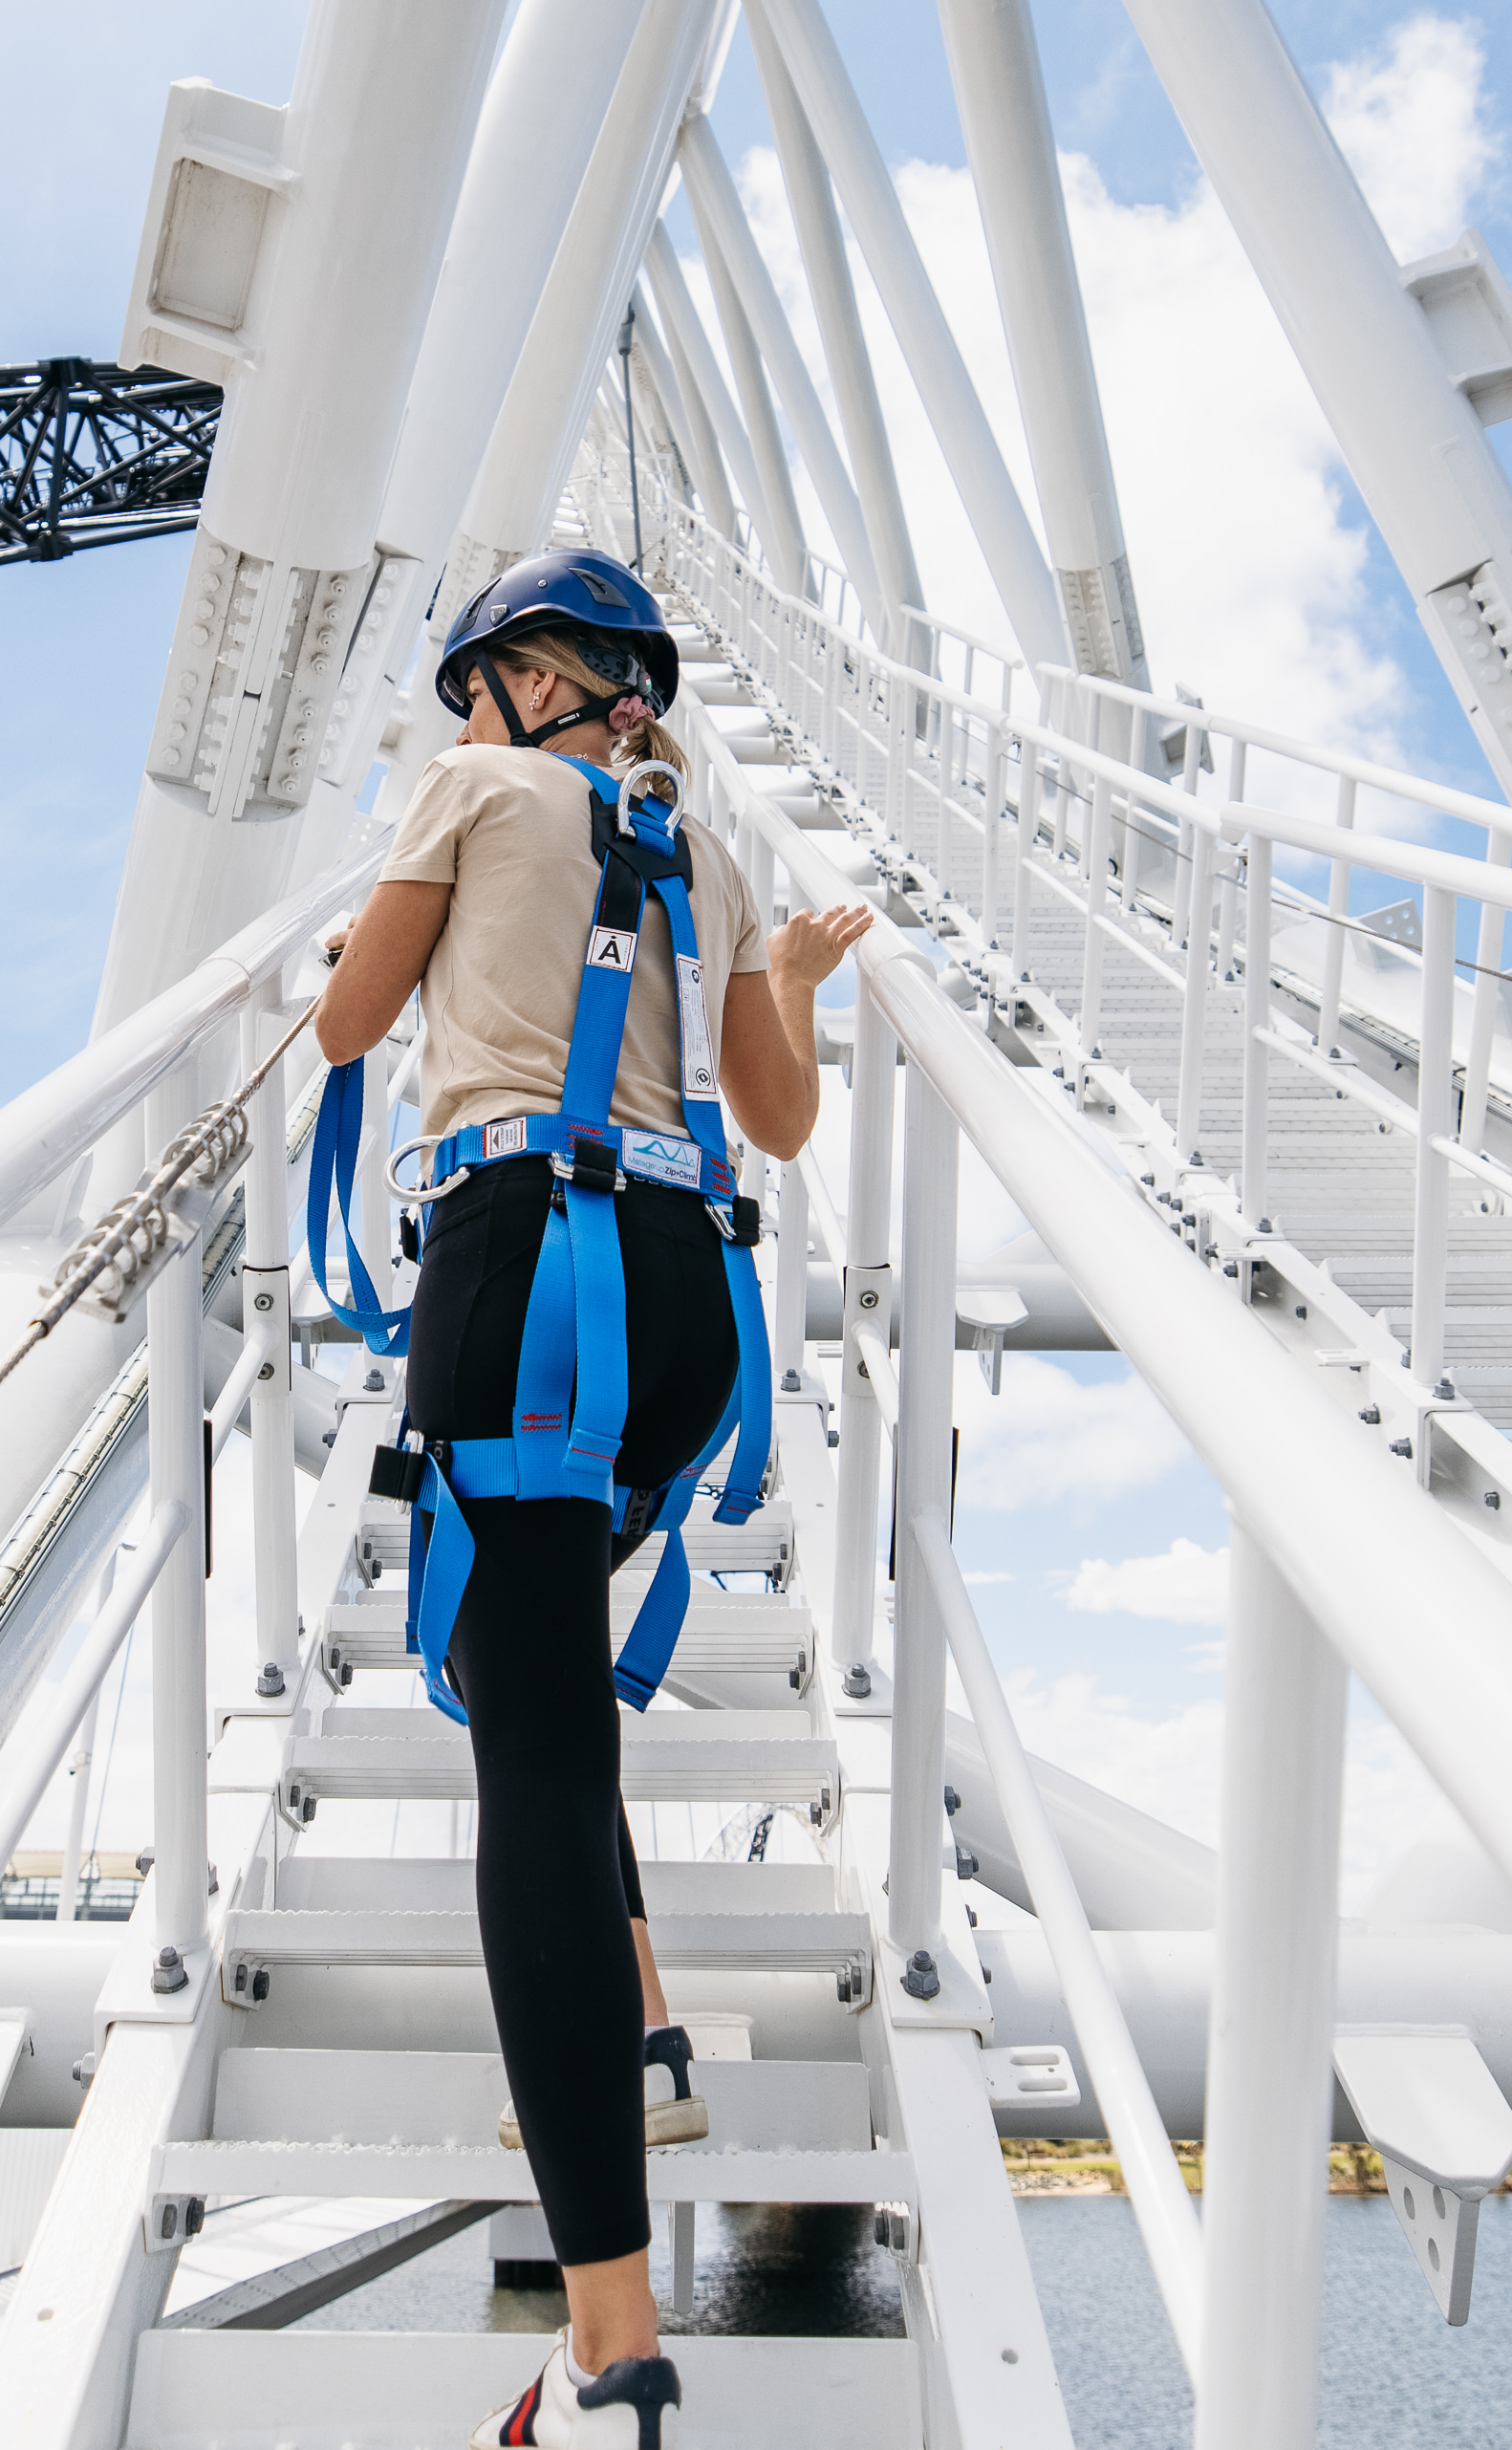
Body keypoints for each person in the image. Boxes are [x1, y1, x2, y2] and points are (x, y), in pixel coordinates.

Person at [310, 549, 874, 2450]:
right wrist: (784, 975)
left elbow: (345, 1021)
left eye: (481, 685)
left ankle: (610, 2345)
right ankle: (631, 2033)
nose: (468, 718)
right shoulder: (700, 858)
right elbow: (775, 1122)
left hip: (516, 1265)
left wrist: (393, 914)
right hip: (682, 1306)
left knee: (531, 1749)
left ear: (532, 678)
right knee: (549, 1696)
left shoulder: (472, 786)